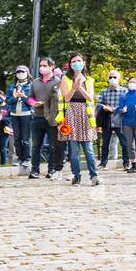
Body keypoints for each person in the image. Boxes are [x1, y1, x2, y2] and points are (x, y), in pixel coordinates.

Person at [55, 53, 99, 186]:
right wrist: (74, 87)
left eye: (79, 61)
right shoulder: (65, 79)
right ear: (70, 64)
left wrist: (79, 86)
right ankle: (76, 176)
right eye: (74, 61)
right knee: (74, 150)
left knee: (89, 149)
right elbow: (66, 98)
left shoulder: (89, 79)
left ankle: (94, 176)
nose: (76, 63)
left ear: (83, 63)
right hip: (71, 114)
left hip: (85, 114)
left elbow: (90, 97)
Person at [28, 57, 62, 179]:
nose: (42, 68)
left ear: (52, 66)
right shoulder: (35, 82)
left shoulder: (58, 82)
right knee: (36, 145)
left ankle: (52, 169)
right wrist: (34, 103)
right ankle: (34, 170)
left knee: (53, 145)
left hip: (52, 118)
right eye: (41, 65)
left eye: (44, 65)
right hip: (37, 116)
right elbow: (30, 98)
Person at [97, 68, 125, 169]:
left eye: (114, 77)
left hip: (120, 121)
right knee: (105, 144)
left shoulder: (124, 91)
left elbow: (128, 104)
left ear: (119, 79)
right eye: (110, 77)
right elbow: (98, 103)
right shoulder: (104, 92)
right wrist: (103, 106)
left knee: (124, 143)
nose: (112, 79)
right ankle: (103, 163)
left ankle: (126, 163)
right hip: (107, 121)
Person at [6, 65, 33, 167]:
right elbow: (8, 101)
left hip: (26, 114)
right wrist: (15, 97)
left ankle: (27, 158)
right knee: (17, 138)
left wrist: (24, 97)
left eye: (22, 72)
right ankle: (20, 157)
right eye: (18, 72)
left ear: (27, 73)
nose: (20, 74)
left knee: (25, 138)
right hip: (14, 114)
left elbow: (33, 102)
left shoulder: (31, 86)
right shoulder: (12, 86)